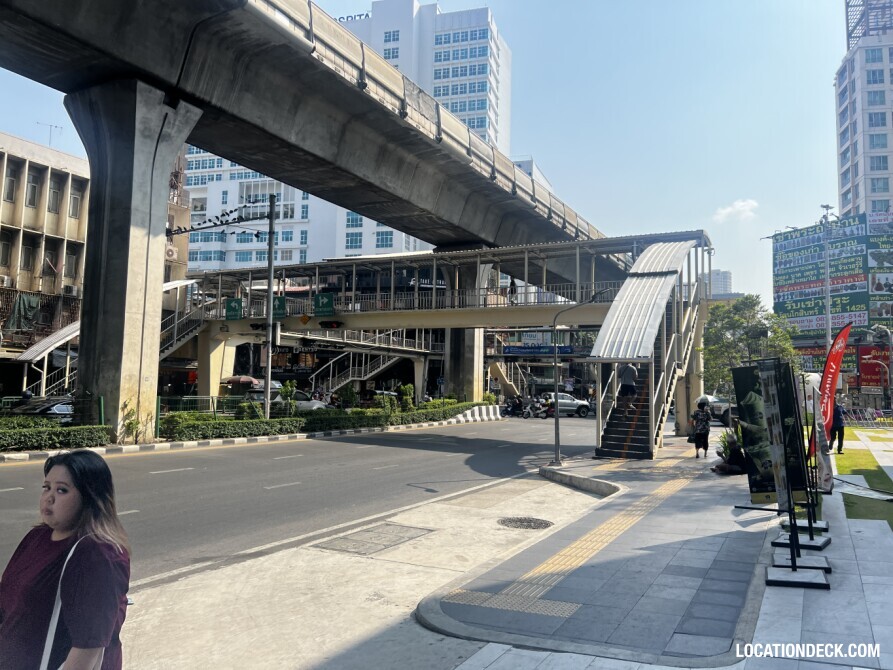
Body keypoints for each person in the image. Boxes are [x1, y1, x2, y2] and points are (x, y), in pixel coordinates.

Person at [0, 450, 131, 670]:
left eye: (62, 490)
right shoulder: (38, 537)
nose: (49, 497)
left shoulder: (97, 554)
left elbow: (88, 651)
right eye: (46, 487)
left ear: (90, 497)